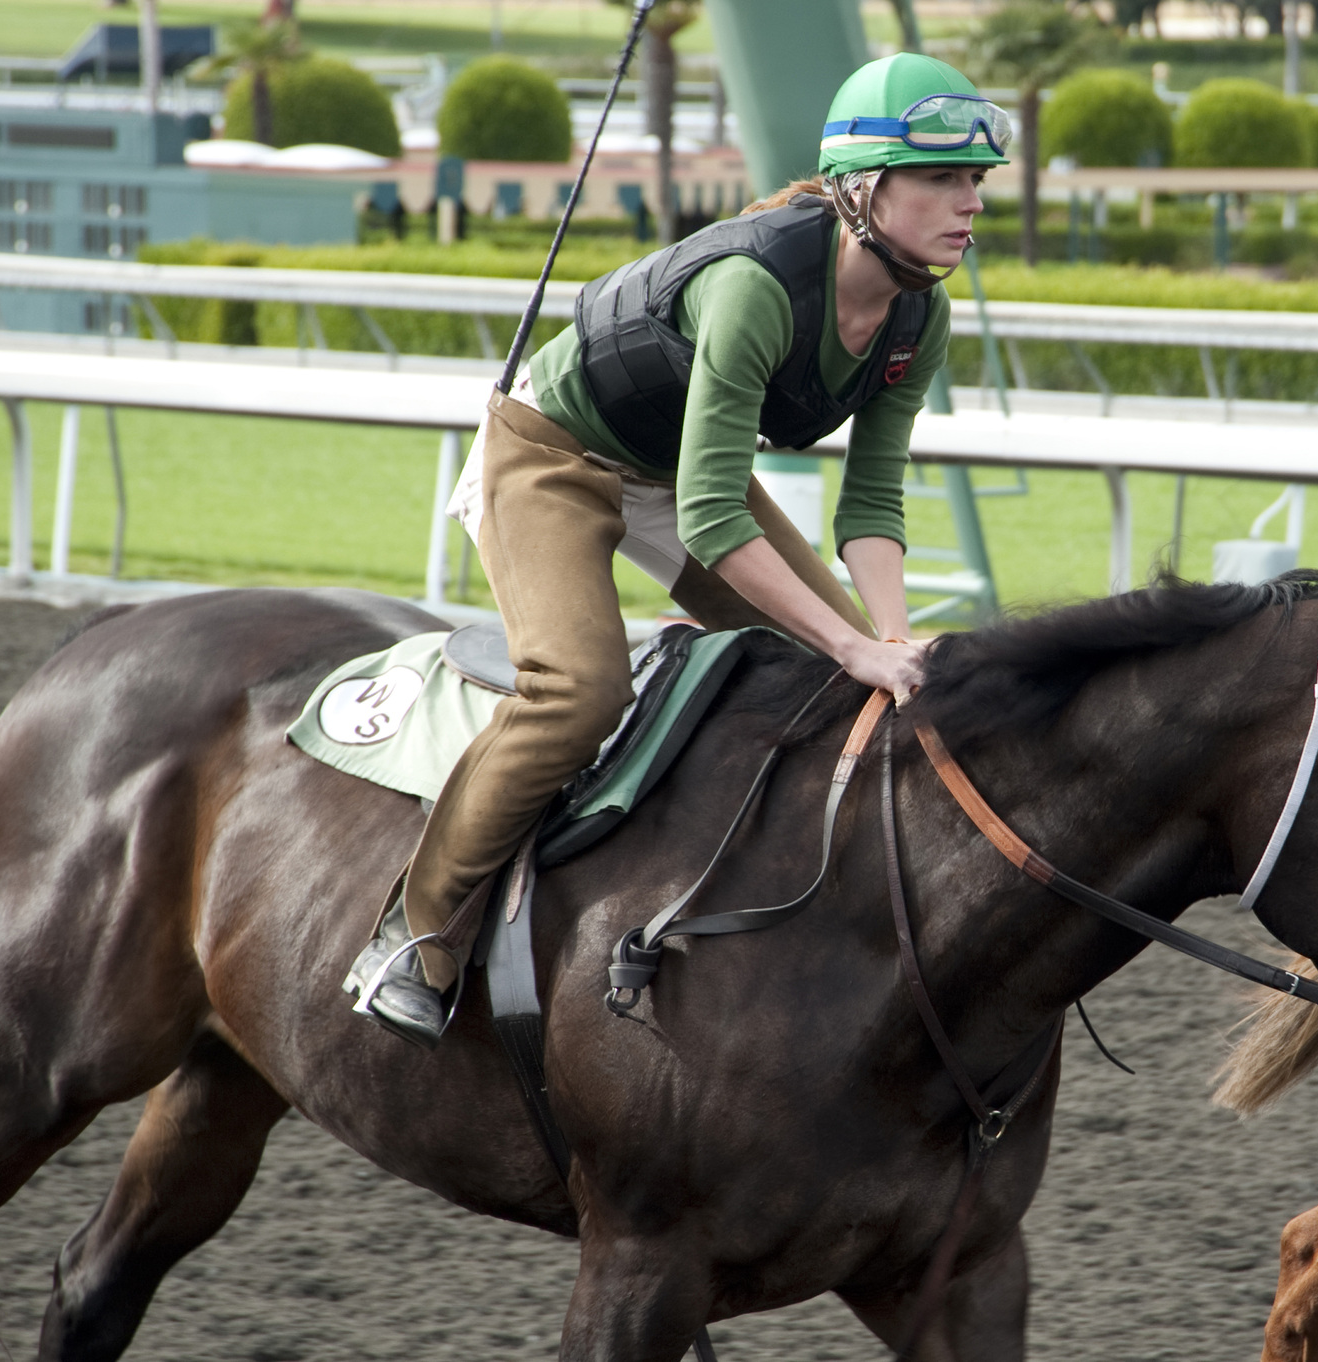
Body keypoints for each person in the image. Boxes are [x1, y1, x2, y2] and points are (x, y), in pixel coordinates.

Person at [344, 52, 1011, 1047]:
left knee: (851, 688)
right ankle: (416, 936)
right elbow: (711, 522)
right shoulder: (752, 287)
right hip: (551, 455)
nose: (970, 204)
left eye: (975, 180)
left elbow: (871, 500)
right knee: (578, 691)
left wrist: (889, 643)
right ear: (862, 189)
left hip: (678, 469)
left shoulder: (921, 314)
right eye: (941, 178)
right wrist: (850, 643)